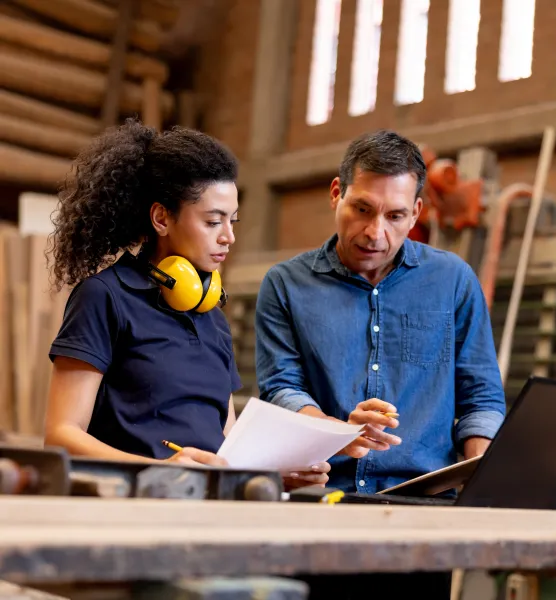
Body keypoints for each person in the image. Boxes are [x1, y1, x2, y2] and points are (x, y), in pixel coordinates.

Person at [44, 118, 329, 489]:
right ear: (162, 218)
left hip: (206, 513)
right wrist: (162, 468)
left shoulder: (211, 315)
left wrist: (272, 475)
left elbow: (226, 447)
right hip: (130, 510)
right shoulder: (104, 297)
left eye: (233, 221)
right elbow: (61, 435)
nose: (228, 236)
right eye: (213, 221)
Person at [255, 129, 506, 496]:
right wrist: (339, 433)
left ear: (416, 212)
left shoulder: (453, 280)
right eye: (362, 209)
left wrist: (481, 481)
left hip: (429, 500)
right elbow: (282, 388)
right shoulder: (285, 285)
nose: (376, 233)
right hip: (325, 494)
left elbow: (481, 398)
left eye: (395, 216)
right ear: (336, 193)